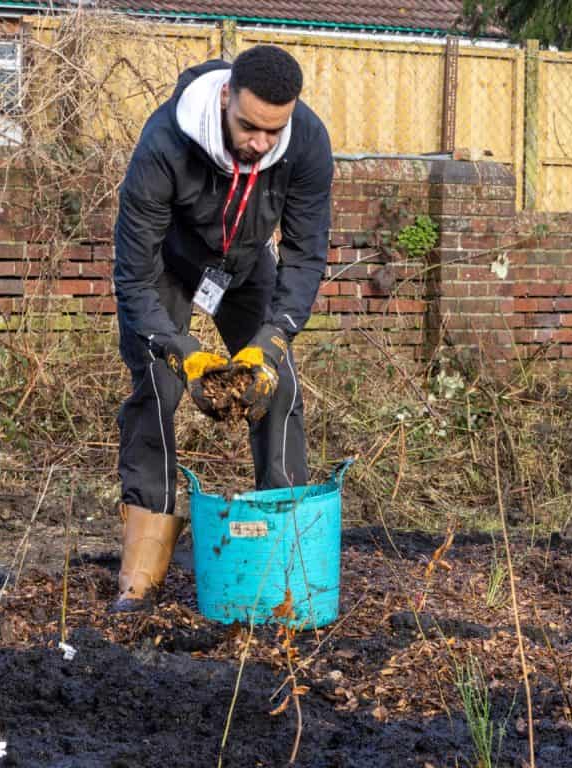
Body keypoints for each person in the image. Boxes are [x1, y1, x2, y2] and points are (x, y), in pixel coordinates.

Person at [111, 45, 333, 611]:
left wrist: (273, 339)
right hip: (167, 263)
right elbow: (133, 276)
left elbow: (305, 256)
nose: (260, 143)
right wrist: (181, 350)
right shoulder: (165, 142)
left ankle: (283, 558)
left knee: (277, 386)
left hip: (246, 262)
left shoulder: (306, 141)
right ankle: (142, 574)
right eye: (249, 127)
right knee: (155, 389)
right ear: (227, 97)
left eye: (273, 131)